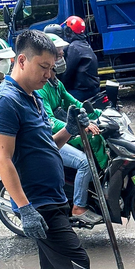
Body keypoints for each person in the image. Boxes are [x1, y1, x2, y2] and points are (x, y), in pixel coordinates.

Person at [0, 29, 118, 269]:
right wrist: (25, 208)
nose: (49, 75)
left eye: (53, 68)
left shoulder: (32, 97)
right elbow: (3, 158)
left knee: (51, 264)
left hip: (51, 194)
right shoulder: (6, 99)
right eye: (44, 67)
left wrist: (70, 128)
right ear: (21, 60)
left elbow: (49, 146)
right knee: (76, 259)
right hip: (37, 201)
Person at [36, 28, 106, 226]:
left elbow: (73, 102)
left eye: (61, 54)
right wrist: (78, 127)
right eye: (57, 54)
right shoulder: (41, 89)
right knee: (85, 162)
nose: (61, 57)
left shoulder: (56, 83)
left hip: (63, 132)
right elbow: (50, 121)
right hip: (51, 139)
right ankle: (79, 206)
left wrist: (99, 114)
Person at [61, 16, 100, 102]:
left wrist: (60, 87)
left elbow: (68, 71)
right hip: (93, 88)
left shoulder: (74, 47)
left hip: (82, 91)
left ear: (69, 31)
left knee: (61, 101)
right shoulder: (85, 44)